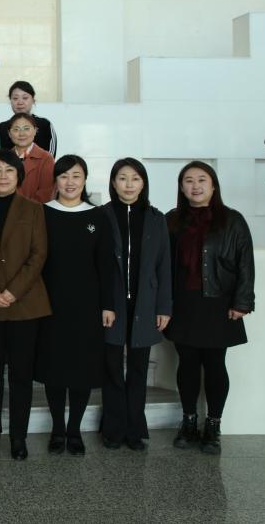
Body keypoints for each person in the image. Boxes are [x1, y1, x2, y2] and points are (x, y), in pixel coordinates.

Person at [165, 161, 255, 455]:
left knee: (216, 364)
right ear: (181, 188)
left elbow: (245, 263)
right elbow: (161, 265)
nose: (195, 186)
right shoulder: (172, 220)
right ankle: (189, 421)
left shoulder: (232, 220)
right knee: (187, 363)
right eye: (188, 181)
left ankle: (213, 426)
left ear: (213, 185)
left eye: (201, 180)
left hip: (219, 302)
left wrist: (242, 302)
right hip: (183, 303)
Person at [0, 149, 50, 461]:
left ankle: (18, 437)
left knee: (20, 374)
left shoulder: (34, 210)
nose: (3, 176)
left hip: (25, 305)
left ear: (19, 175)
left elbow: (39, 255)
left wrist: (13, 291)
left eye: (9, 171)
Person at [35, 155, 115, 457]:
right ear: (56, 180)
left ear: (85, 180)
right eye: (64, 176)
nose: (70, 182)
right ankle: (58, 429)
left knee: (82, 369)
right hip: (49, 304)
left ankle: (74, 430)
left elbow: (106, 264)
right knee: (54, 367)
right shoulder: (42, 213)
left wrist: (108, 305)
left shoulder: (98, 217)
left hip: (88, 306)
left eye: (76, 176)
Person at [100, 157, 172, 451]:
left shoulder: (156, 218)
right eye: (122, 178)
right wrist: (102, 303)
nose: (128, 184)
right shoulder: (102, 215)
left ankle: (134, 429)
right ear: (113, 183)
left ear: (143, 184)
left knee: (139, 368)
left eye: (135, 179)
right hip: (112, 304)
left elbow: (164, 265)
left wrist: (164, 307)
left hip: (146, 303)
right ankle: (113, 428)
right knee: (112, 367)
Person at [0, 81, 57, 156]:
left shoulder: (45, 125)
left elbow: (50, 157)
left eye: (25, 98)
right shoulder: (1, 128)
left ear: (33, 100)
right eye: (15, 98)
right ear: (10, 101)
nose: (20, 102)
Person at [7, 113, 56, 204]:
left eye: (26, 128)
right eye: (16, 129)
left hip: (35, 211)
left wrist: (21, 209)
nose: (21, 134)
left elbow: (46, 193)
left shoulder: (46, 159)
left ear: (35, 131)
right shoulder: (4, 159)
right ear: (9, 133)